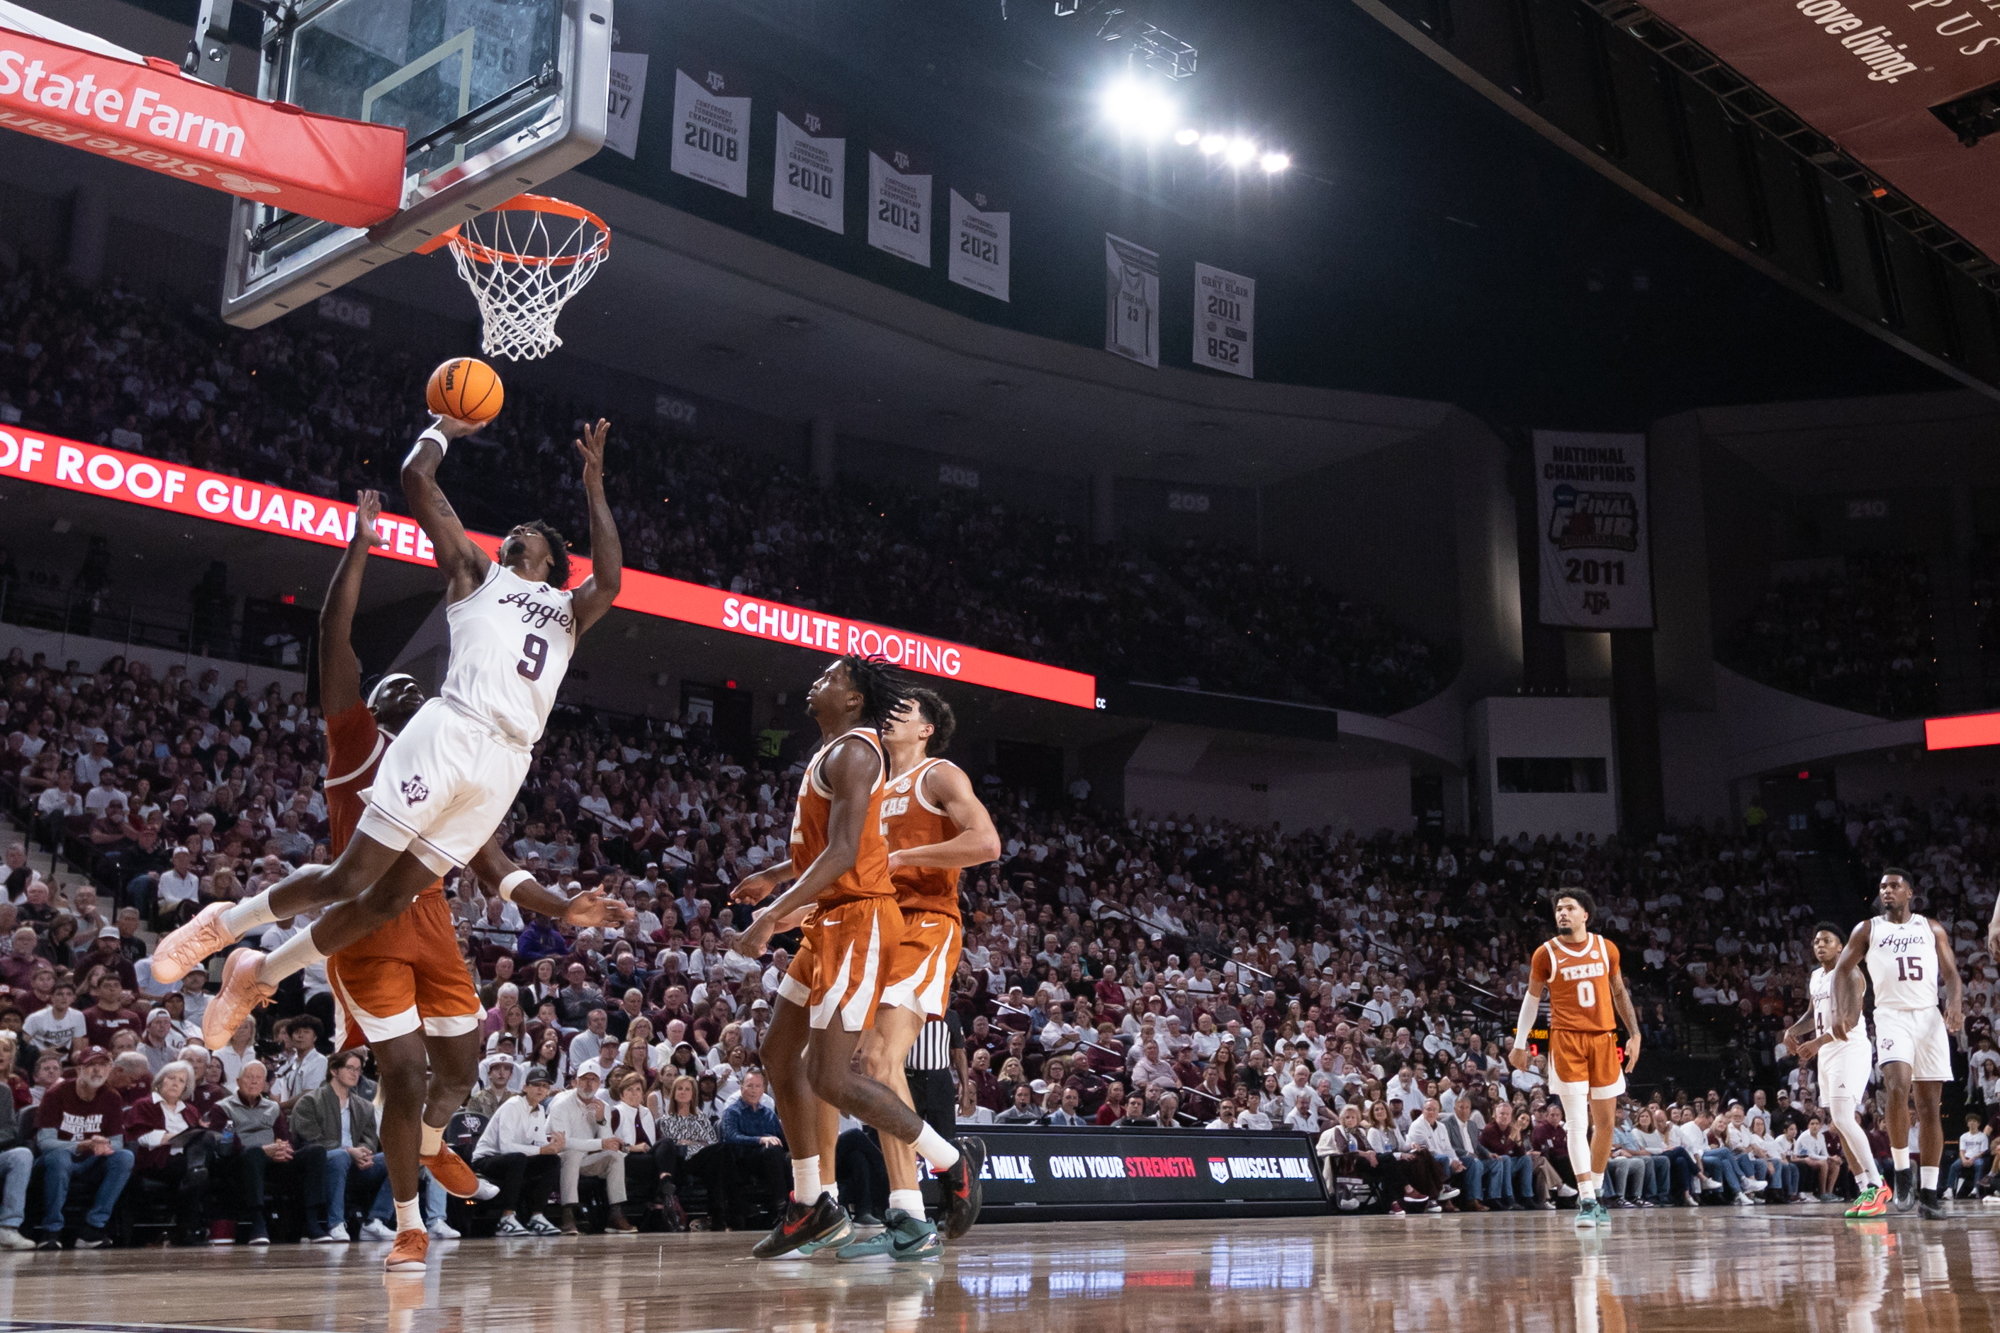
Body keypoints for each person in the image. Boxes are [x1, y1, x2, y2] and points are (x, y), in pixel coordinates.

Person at [159, 488, 627, 1270]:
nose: (405, 695)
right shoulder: (358, 739)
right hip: (364, 932)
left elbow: (494, 863)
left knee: (459, 1071)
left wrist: (560, 906)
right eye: (396, 693)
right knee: (401, 1068)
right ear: (382, 706)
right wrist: (361, 544)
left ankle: (438, 1143)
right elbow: (332, 633)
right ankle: (409, 1220)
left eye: (413, 689)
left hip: (432, 926)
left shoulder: (477, 760)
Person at [151, 416, 625, 1039]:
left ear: (551, 561)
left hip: (509, 761)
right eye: (513, 531)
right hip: (455, 729)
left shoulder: (569, 612)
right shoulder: (478, 575)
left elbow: (611, 580)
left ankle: (261, 972)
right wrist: (442, 427)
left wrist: (595, 485)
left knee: (386, 901)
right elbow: (415, 478)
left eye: (528, 534)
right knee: (353, 876)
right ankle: (224, 924)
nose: (515, 533)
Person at [727, 658, 983, 1259]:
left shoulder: (878, 757)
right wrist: (773, 879)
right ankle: (814, 1201)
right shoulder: (856, 760)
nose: (818, 679)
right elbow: (842, 846)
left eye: (832, 675)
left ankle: (946, 1166)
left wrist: (770, 917)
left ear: (854, 699)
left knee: (848, 1069)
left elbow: (849, 853)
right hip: (835, 918)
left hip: (879, 920)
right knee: (781, 1054)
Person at [825, 687, 996, 1260]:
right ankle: (910, 1211)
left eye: (906, 710)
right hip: (877, 927)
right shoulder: (869, 788)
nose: (891, 714)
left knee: (879, 1060)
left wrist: (906, 859)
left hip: (926, 923)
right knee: (863, 1067)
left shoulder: (939, 775)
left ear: (926, 729)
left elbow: (986, 842)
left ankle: (921, 1199)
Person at [1833, 869, 1963, 1219]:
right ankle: (1903, 1172)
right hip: (1891, 1015)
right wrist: (1841, 1010)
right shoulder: (1868, 929)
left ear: (1910, 892)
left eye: (1894, 886)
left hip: (1928, 1017)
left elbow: (1951, 974)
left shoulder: (1931, 927)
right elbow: (1842, 971)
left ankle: (1930, 1193)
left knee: (1930, 1106)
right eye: (1882, 886)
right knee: (1896, 1086)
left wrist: (1954, 1004)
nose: (1886, 891)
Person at [1509, 889, 1640, 1229]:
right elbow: (1531, 999)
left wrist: (1635, 1034)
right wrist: (1520, 1043)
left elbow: (1619, 992)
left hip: (1604, 1038)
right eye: (1558, 909)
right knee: (1578, 1124)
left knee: (1607, 1125)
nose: (1562, 914)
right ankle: (1586, 1199)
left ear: (1585, 915)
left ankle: (1595, 1191)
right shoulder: (1546, 953)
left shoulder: (1605, 948)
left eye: (1569, 908)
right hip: (1567, 1040)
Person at [1784, 921, 1885, 1216]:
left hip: (1849, 1049)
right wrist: (1793, 1031)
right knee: (1839, 1124)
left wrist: (1815, 1043)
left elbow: (1851, 1020)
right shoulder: (1816, 976)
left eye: (1826, 940)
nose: (1820, 945)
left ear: (1841, 947)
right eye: (1816, 941)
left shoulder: (1851, 972)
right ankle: (1864, 1187)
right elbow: (1812, 1014)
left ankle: (1878, 1186)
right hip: (1827, 1052)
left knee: (1843, 1117)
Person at [33, 1045, 133, 1249]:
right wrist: (81, 1145)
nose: (97, 1070)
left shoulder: (112, 1097)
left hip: (91, 1161)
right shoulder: (56, 1094)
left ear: (110, 1069)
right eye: (91, 1065)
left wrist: (102, 1145)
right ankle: (51, 1230)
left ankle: (93, 1227)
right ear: (78, 1069)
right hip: (56, 1161)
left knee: (124, 1157)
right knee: (60, 1157)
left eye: (102, 1065)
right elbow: (45, 1142)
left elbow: (117, 1142)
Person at [292, 1049, 396, 1243]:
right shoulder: (310, 1101)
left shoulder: (364, 1106)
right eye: (349, 1068)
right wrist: (348, 1151)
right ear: (334, 1070)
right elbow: (310, 1138)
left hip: (357, 1164)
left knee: (400, 1160)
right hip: (324, 1163)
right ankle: (335, 1223)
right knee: (340, 1157)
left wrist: (364, 1153)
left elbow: (370, 1139)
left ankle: (375, 1220)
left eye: (358, 1069)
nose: (355, 1073)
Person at [125, 1058, 210, 1244]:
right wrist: (174, 1137)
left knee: (204, 1149)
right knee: (192, 1171)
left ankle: (188, 1229)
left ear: (186, 1087)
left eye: (181, 1081)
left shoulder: (190, 1110)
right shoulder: (144, 1104)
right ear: (161, 1080)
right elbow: (141, 1138)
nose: (175, 1083)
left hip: (184, 1161)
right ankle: (188, 1230)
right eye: (171, 1078)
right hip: (155, 1160)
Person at [471, 1066, 564, 1236]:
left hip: (515, 1158)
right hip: (487, 1159)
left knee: (552, 1160)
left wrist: (553, 1148)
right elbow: (506, 1147)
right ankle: (507, 1218)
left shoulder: (540, 1110)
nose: (541, 1089)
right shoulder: (513, 1105)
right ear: (525, 1088)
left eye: (545, 1086)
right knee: (518, 1159)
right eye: (536, 1085)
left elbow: (541, 1145)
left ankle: (537, 1216)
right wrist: (543, 1149)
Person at [207, 1059, 291, 1245]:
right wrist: (262, 1151)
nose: (254, 1082)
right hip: (238, 1161)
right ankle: (257, 1220)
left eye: (258, 1078)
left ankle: (308, 1223)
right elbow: (226, 1143)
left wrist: (283, 1149)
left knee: (314, 1154)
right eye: (249, 1077)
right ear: (238, 1082)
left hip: (272, 1161)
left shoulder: (274, 1107)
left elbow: (284, 1138)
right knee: (253, 1154)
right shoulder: (222, 1107)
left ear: (265, 1084)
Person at [547, 1065, 632, 1234]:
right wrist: (600, 1144)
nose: (589, 1084)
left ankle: (615, 1214)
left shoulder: (603, 1106)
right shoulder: (561, 1105)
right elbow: (563, 1144)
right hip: (555, 1160)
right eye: (585, 1079)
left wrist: (601, 1121)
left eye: (594, 1080)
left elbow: (607, 1143)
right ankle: (568, 1214)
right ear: (575, 1082)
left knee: (615, 1156)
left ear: (600, 1083)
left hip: (585, 1160)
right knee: (572, 1153)